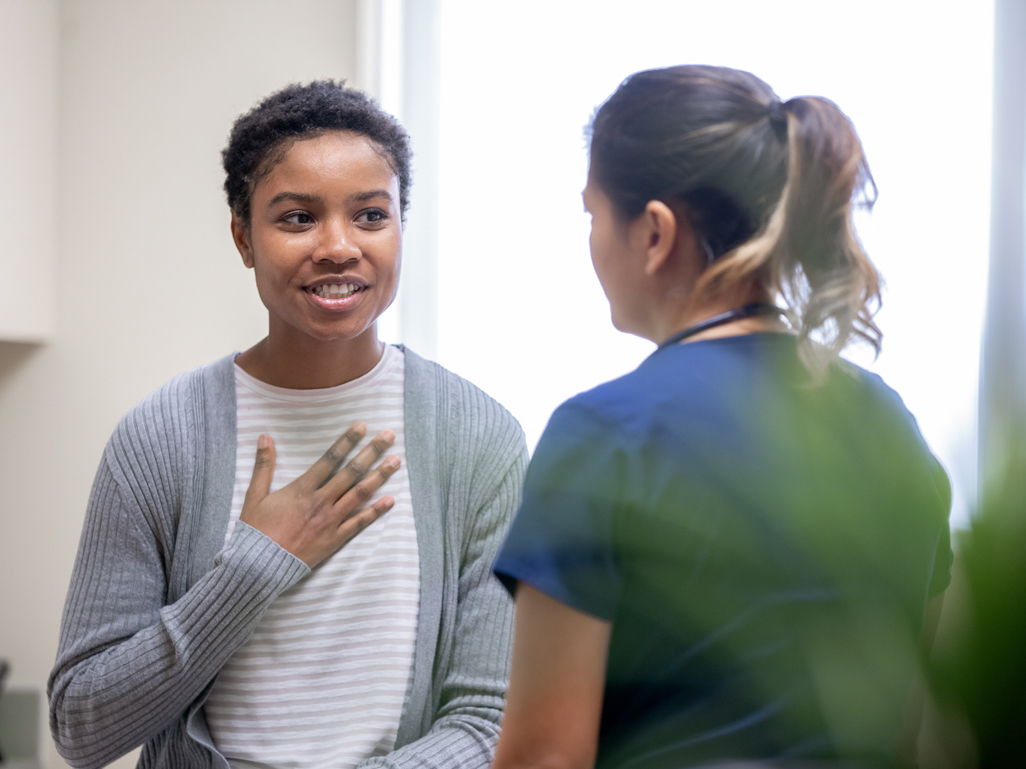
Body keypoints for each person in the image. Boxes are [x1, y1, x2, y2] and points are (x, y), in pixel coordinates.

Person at [49, 81, 527, 769]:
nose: (338, 246)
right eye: (298, 218)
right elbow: (81, 727)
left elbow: (490, 722)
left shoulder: (478, 439)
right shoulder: (159, 439)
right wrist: (251, 566)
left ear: (400, 227)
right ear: (244, 238)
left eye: (370, 215)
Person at [491, 65, 952, 769]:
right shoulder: (892, 426)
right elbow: (903, 732)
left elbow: (544, 758)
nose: (590, 241)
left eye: (592, 215)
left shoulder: (605, 435)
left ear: (653, 231)